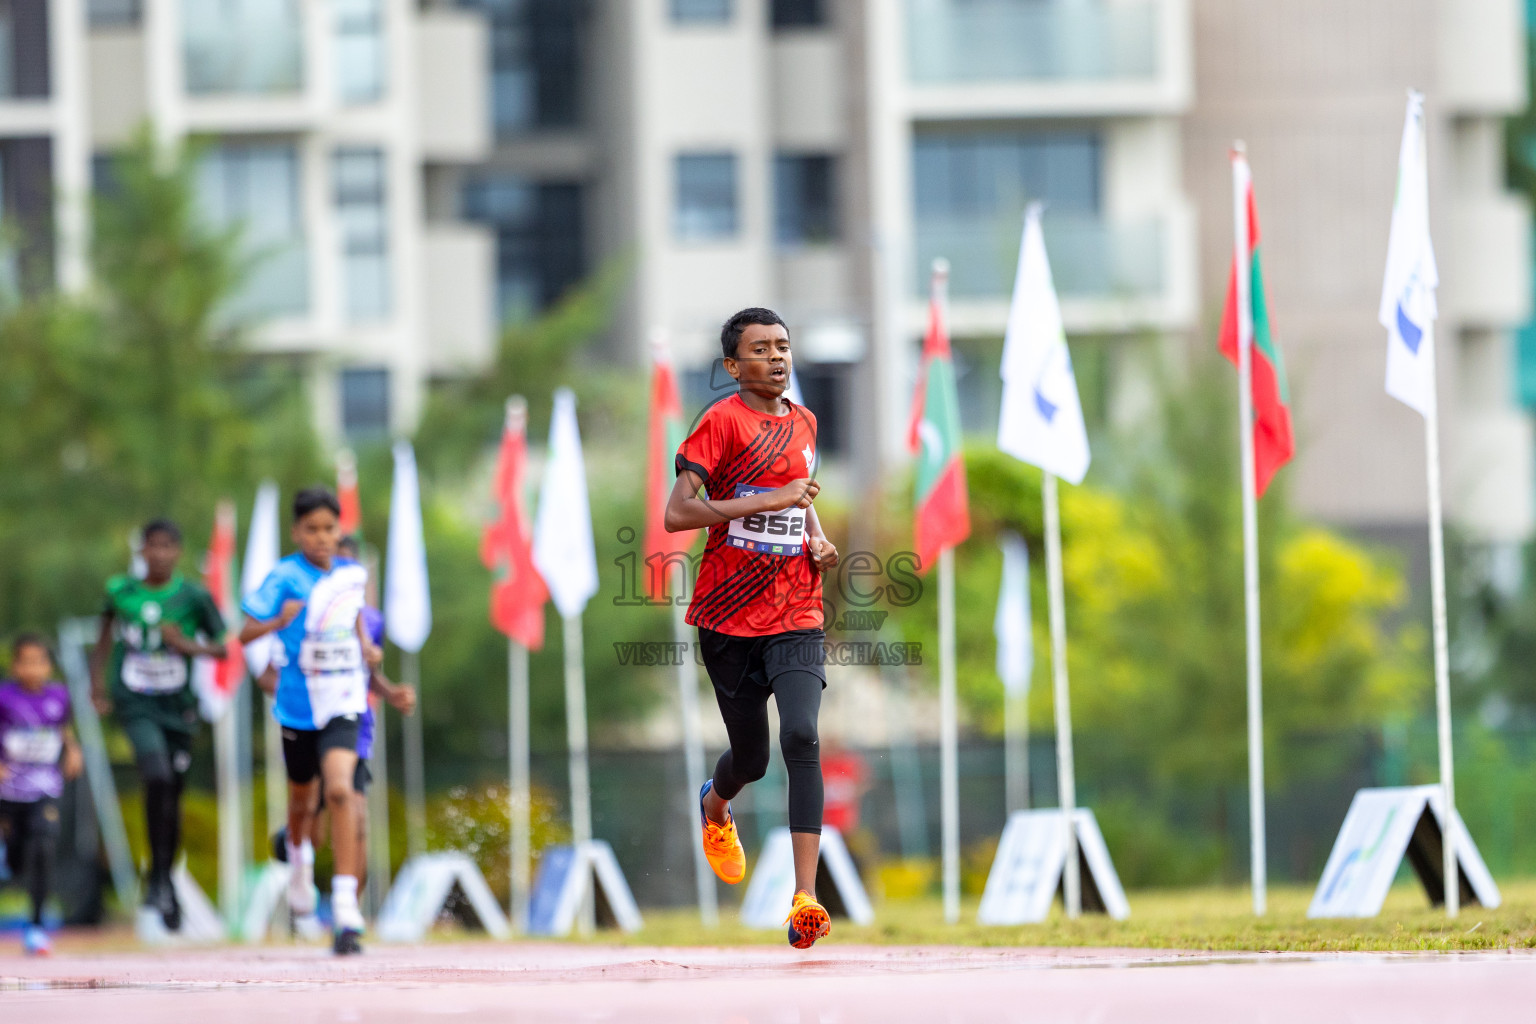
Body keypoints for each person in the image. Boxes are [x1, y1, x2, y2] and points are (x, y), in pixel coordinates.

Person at [664, 307, 840, 949]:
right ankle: (716, 802)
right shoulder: (720, 422)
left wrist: (818, 540)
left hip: (797, 609)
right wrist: (765, 499)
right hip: (728, 615)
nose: (776, 357)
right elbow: (677, 513)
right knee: (755, 759)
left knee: (801, 735)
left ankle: (805, 900)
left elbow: (803, 500)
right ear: (733, 366)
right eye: (760, 349)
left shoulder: (806, 422)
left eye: (783, 346)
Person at [240, 489, 380, 955]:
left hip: (342, 698)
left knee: (340, 790)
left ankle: (344, 909)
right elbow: (242, 632)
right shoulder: (283, 576)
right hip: (297, 706)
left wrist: (366, 647)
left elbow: (355, 619)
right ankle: (300, 866)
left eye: (329, 529)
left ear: (339, 532)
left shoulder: (351, 575)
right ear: (296, 532)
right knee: (302, 803)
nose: (321, 538)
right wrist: (276, 620)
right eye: (311, 529)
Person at [89, 519, 228, 932]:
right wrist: (98, 686)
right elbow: (103, 640)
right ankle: (158, 880)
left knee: (173, 793)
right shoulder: (121, 592)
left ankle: (163, 876)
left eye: (169, 546)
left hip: (179, 707)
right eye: (153, 546)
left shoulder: (193, 596)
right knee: (156, 774)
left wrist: (188, 646)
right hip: (136, 701)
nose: (160, 554)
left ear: (178, 552)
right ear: (141, 551)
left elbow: (223, 646)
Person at [265, 535, 416, 896]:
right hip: (307, 718)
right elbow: (271, 668)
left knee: (353, 806)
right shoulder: (302, 612)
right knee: (314, 823)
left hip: (351, 721)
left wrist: (389, 690)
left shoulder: (372, 620)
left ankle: (348, 912)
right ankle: (299, 851)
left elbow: (364, 671)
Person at [0, 634, 84, 955]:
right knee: (19, 859)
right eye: (26, 662)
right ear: (15, 665)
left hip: (45, 787)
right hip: (9, 792)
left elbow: (63, 729)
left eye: (40, 661)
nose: (33, 668)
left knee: (44, 844)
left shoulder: (60, 696)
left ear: (49, 666)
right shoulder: (4, 697)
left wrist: (73, 750)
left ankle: (35, 927)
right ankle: (10, 851)